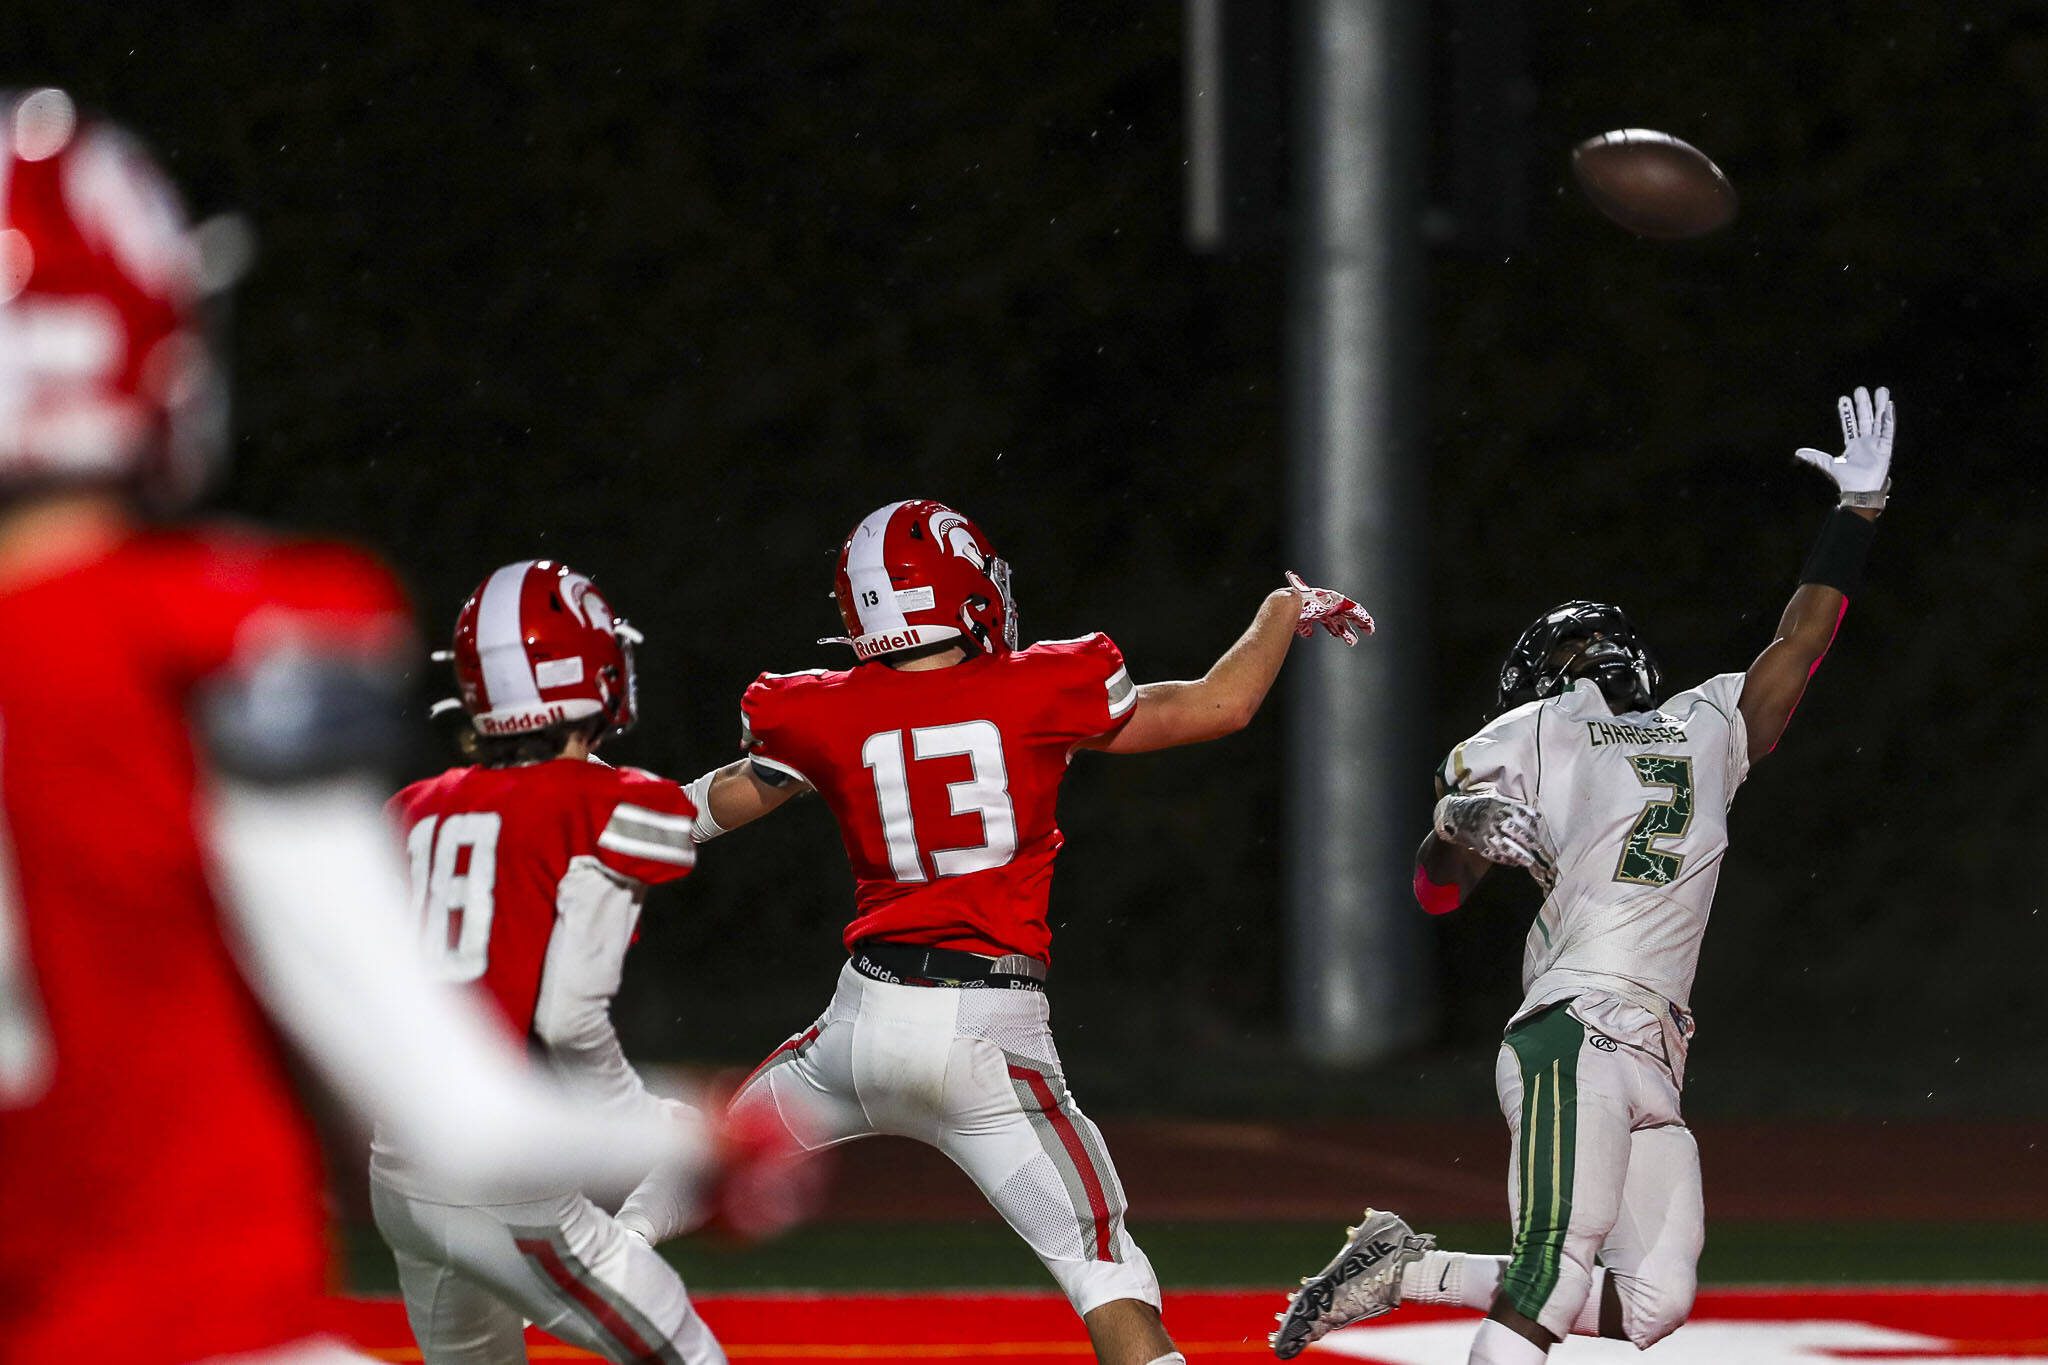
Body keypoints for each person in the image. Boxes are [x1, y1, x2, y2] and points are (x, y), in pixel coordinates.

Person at [0, 90, 728, 1365]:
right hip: (202, 1314)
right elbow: (468, 1098)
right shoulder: (218, 635)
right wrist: (704, 1138)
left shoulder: (417, 794)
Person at [614, 498, 1375, 1365]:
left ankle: (556, 1305)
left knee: (675, 1189)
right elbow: (1219, 704)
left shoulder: (819, 709)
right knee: (1105, 1269)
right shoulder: (1041, 686)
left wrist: (599, 829)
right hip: (988, 1034)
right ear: (966, 589)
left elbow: (726, 796)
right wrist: (1285, 608)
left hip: (858, 1029)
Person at [1268, 387, 1898, 1363]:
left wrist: (1853, 517)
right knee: (1553, 1270)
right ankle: (1406, 1275)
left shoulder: (1648, 726)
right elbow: (1436, 889)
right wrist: (1851, 519)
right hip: (1578, 1027)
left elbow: (1438, 890)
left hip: (1652, 1046)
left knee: (1649, 1303)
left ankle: (1399, 1271)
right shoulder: (1655, 726)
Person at [371, 558, 731, 1365]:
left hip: (398, 1164)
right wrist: (631, 1126)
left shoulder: (414, 807)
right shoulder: (610, 801)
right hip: (501, 1173)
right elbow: (566, 1015)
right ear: (596, 669)